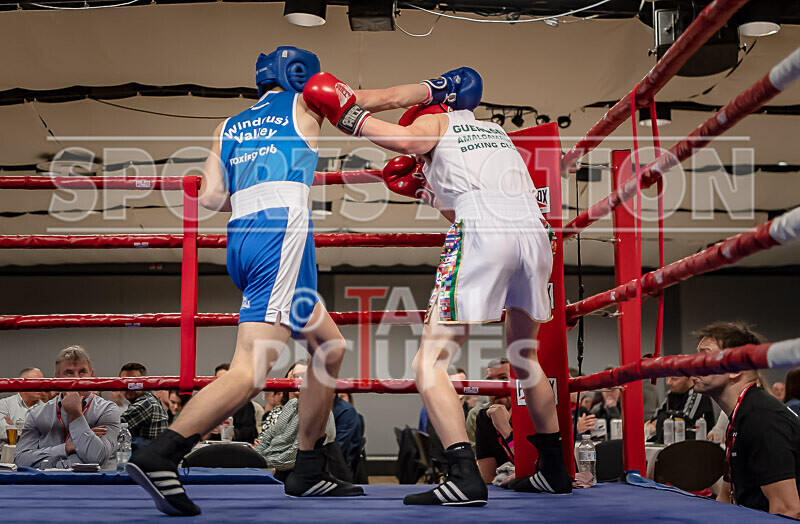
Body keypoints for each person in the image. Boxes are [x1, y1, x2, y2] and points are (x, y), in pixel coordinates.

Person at [127, 46, 431, 515]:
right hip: (280, 234)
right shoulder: (309, 100)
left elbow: (210, 198)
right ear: (300, 73)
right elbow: (378, 100)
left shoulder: (226, 126)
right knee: (250, 369)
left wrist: (254, 183)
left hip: (243, 237)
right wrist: (436, 90)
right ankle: (162, 453)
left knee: (329, 346)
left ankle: (307, 467)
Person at [304, 68, 571, 503]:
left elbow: (403, 141)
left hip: (485, 231)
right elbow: (473, 197)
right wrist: (427, 192)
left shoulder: (438, 120)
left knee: (429, 363)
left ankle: (464, 476)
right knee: (525, 357)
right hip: (536, 236)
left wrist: (347, 115)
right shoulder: (497, 135)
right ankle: (555, 470)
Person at [692, 321, 800, 518]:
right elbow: (726, 496)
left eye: (704, 355)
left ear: (735, 368)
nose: (693, 364)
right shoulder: (740, 415)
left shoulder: (762, 418)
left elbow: (788, 510)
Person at [14, 346, 120, 469]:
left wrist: (75, 415)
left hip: (93, 484)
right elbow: (21, 459)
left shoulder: (108, 410)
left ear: (91, 375)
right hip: (49, 483)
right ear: (57, 377)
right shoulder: (37, 413)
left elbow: (97, 458)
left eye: (82, 372)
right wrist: (68, 447)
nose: (77, 379)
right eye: (69, 373)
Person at [254, 360, 336, 482]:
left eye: (304, 376)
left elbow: (294, 456)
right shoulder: (291, 404)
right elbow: (270, 435)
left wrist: (260, 461)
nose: (298, 380)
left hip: (302, 477)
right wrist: (256, 458)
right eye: (295, 377)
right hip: (279, 470)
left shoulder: (318, 410)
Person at [645, 375, 715, 443]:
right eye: (668, 378)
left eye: (674, 379)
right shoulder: (671, 395)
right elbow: (655, 420)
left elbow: (684, 423)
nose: (668, 382)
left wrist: (662, 421)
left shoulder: (699, 394)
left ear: (689, 378)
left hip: (696, 448)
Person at [119, 363, 169, 448]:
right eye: (124, 381)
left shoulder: (145, 404)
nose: (128, 386)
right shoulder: (149, 399)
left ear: (145, 382)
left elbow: (112, 430)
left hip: (148, 459)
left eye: (134, 381)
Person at [206, 363, 258, 444]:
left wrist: (225, 430)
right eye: (218, 380)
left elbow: (249, 435)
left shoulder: (244, 404)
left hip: (237, 449)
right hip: (211, 447)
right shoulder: (209, 403)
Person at [0, 367, 45, 452]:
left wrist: (14, 428)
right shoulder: (3, 404)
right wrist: (35, 432)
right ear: (22, 383)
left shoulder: (47, 408)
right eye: (35, 382)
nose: (40, 385)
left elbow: (47, 438)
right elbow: (3, 433)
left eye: (42, 382)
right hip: (7, 460)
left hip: (36, 460)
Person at [419, 367, 468, 433]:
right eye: (454, 385)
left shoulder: (471, 413)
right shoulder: (432, 411)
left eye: (463, 384)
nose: (459, 388)